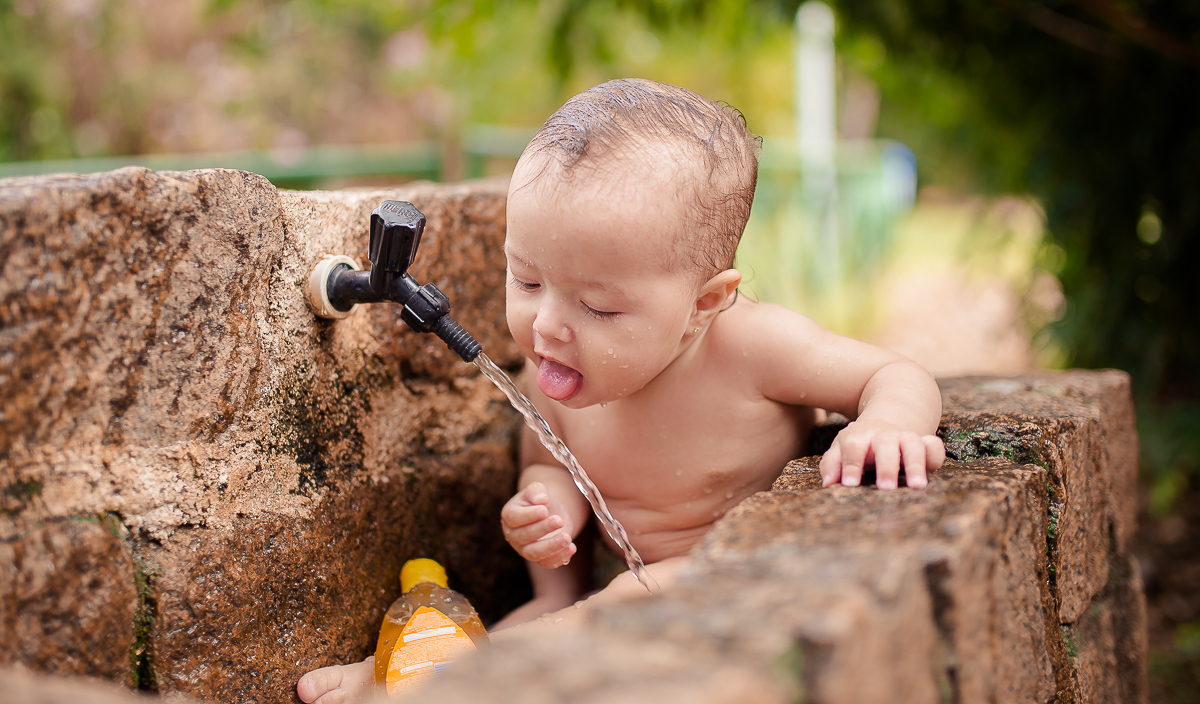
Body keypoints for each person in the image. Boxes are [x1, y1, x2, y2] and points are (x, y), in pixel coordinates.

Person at [297, 79, 944, 703]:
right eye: (525, 280)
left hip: (734, 573)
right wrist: (547, 508)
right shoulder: (555, 366)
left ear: (705, 302)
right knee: (555, 611)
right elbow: (551, 463)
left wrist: (889, 422)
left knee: (612, 607)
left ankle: (439, 688)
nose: (547, 323)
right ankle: (409, 670)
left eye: (598, 308)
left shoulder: (753, 347)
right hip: (593, 591)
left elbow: (895, 374)